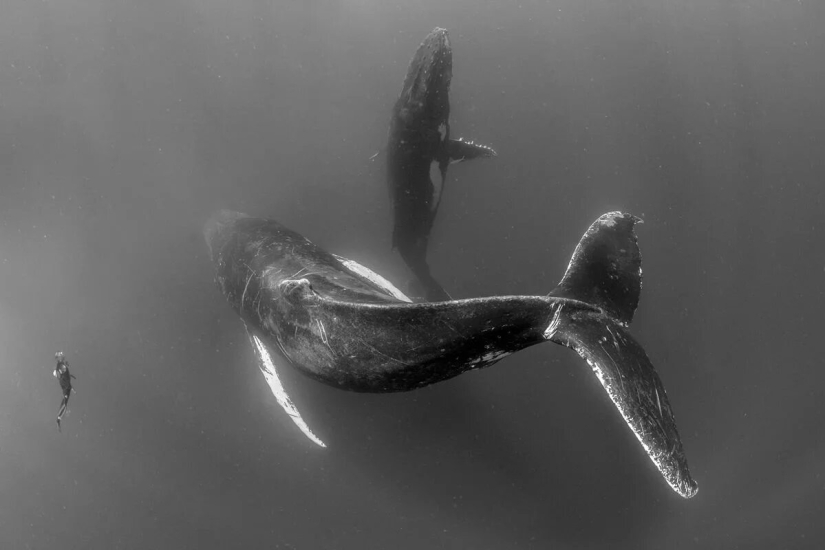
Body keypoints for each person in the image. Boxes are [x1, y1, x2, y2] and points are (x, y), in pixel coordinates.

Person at [53, 351, 76, 432]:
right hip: (66, 386)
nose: (62, 355)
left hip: (67, 386)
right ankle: (58, 419)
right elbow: (62, 376)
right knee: (65, 403)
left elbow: (64, 375)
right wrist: (68, 385)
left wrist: (70, 387)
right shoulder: (60, 365)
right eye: (60, 355)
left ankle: (59, 418)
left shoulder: (61, 365)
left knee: (65, 401)